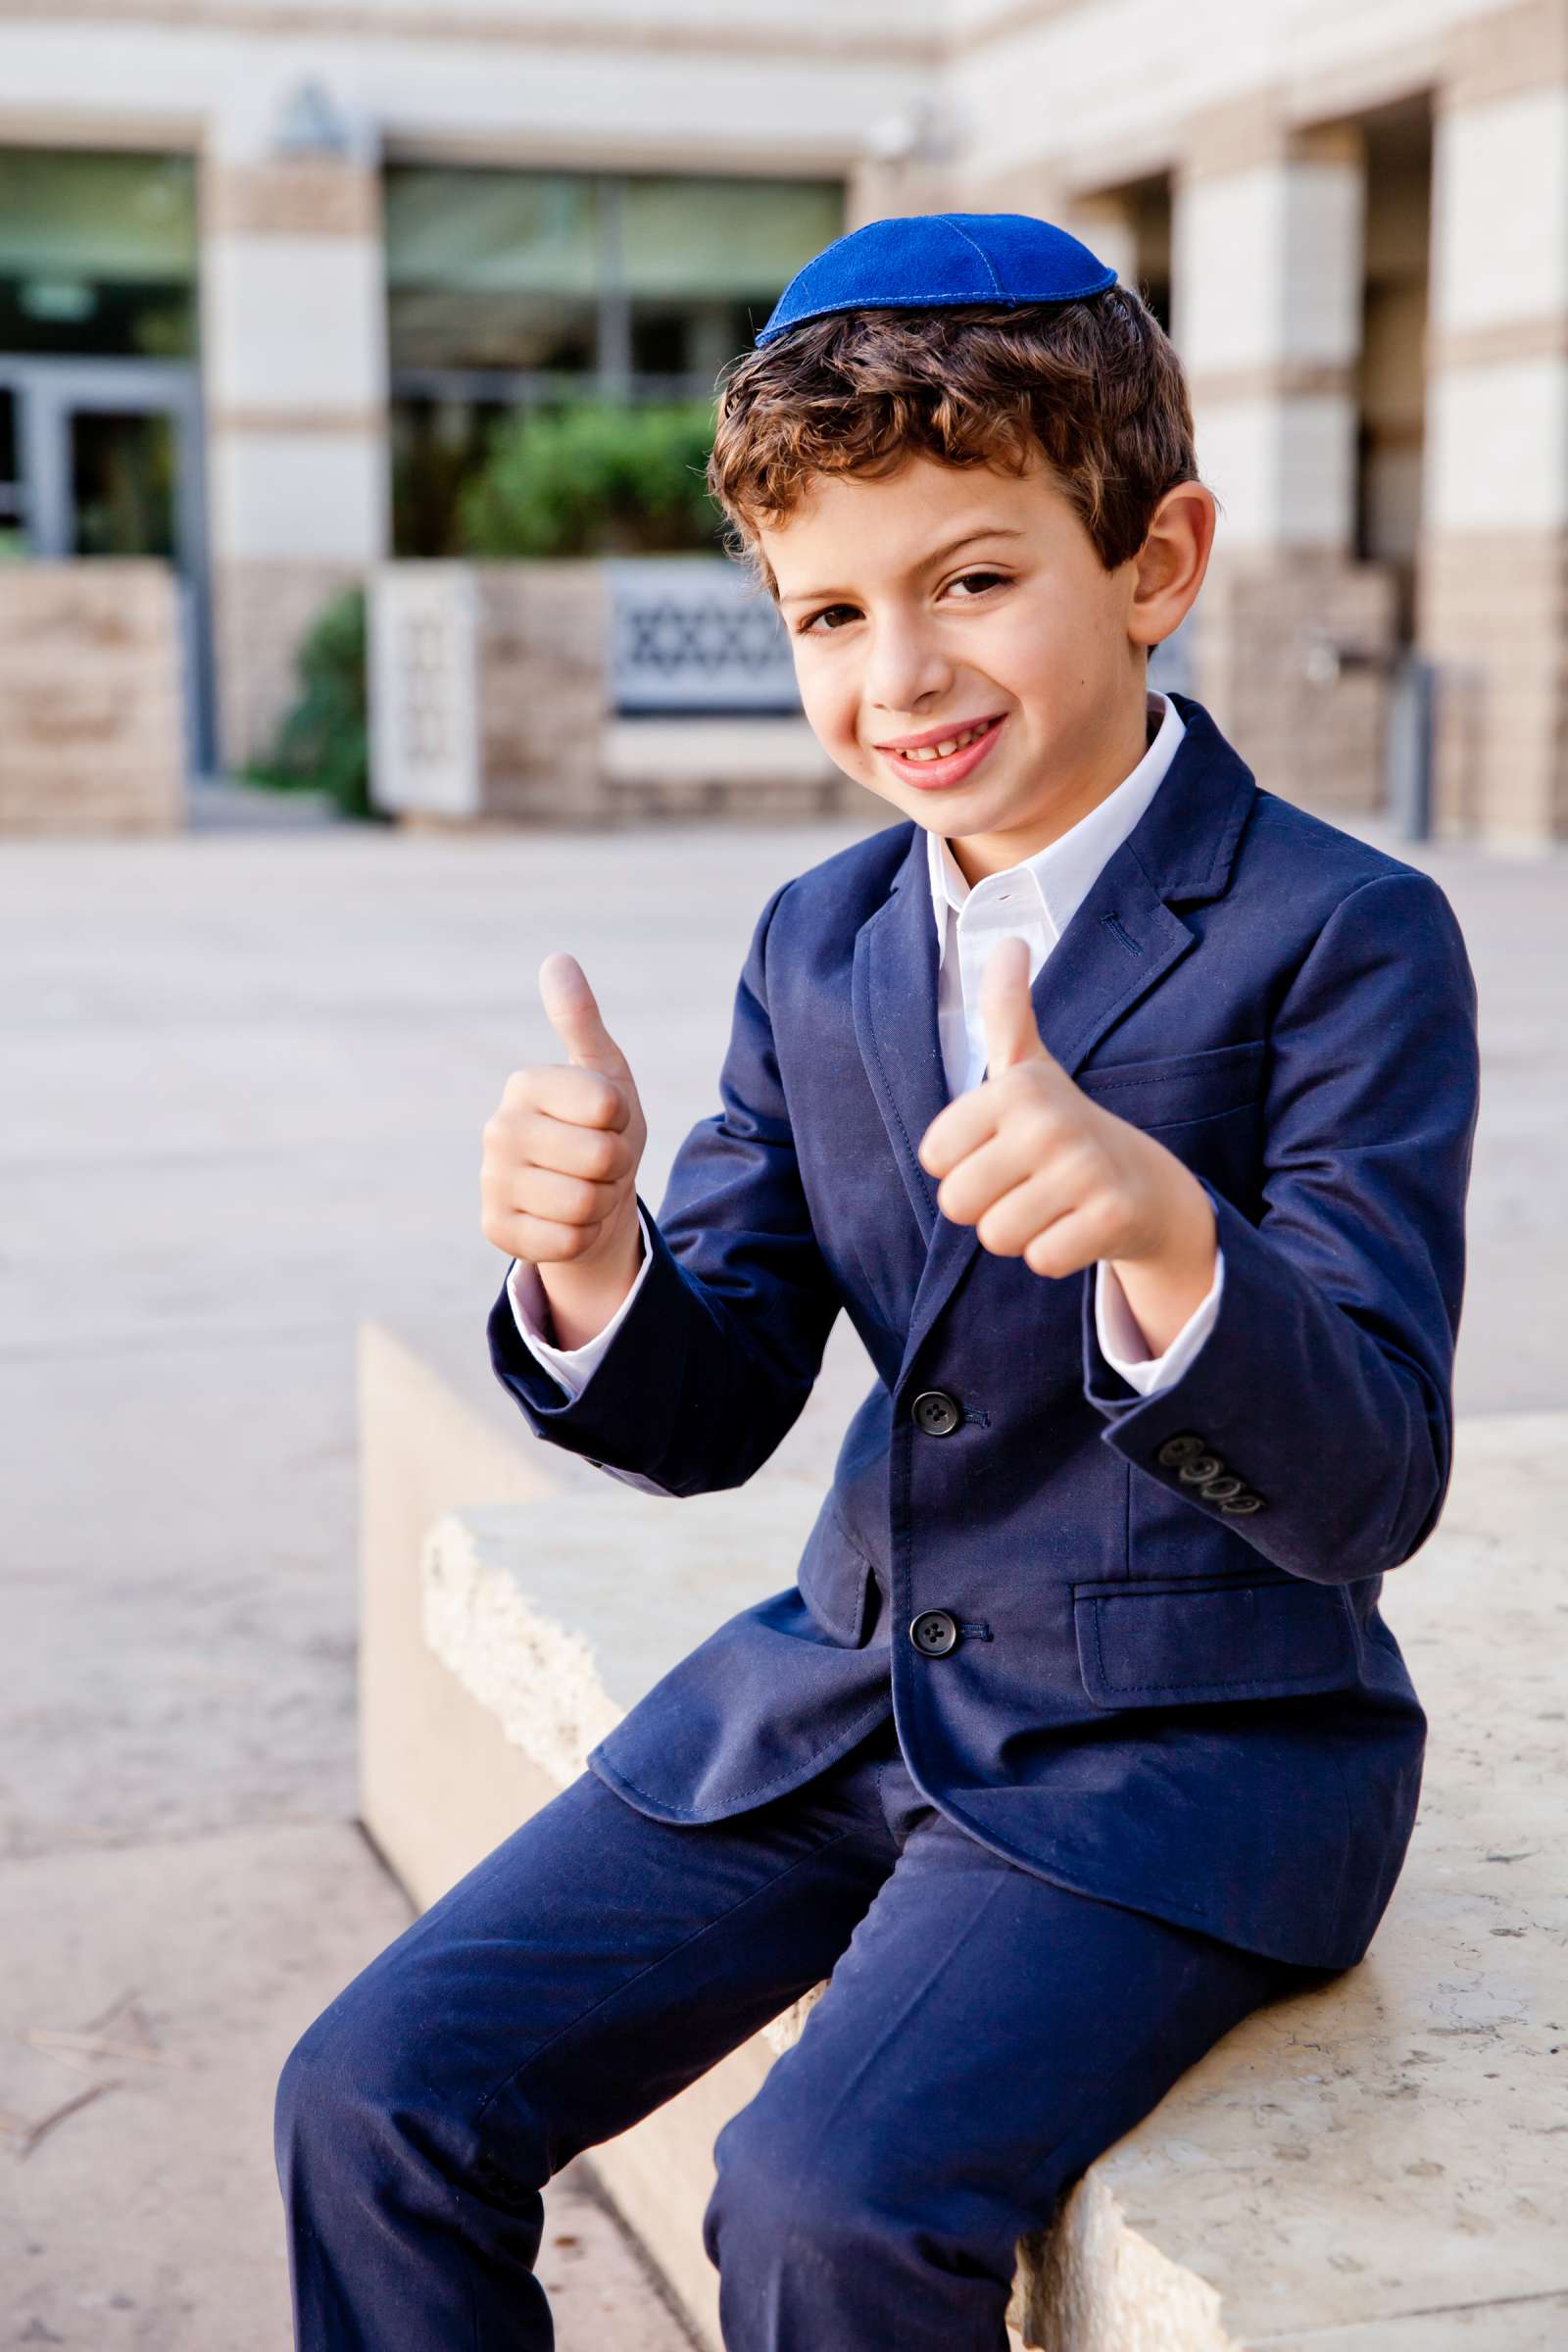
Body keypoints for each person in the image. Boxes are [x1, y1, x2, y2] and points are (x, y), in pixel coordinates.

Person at [274, 214, 1480, 2352]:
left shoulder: (1344, 936)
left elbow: (1368, 1477)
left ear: (1154, 560)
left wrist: (1167, 1235)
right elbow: (714, 1394)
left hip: (1185, 1745)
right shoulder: (816, 942)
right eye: (825, 612)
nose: (894, 676)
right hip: (825, 1703)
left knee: (823, 2202)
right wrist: (589, 1268)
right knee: (370, 2092)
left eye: (970, 581)